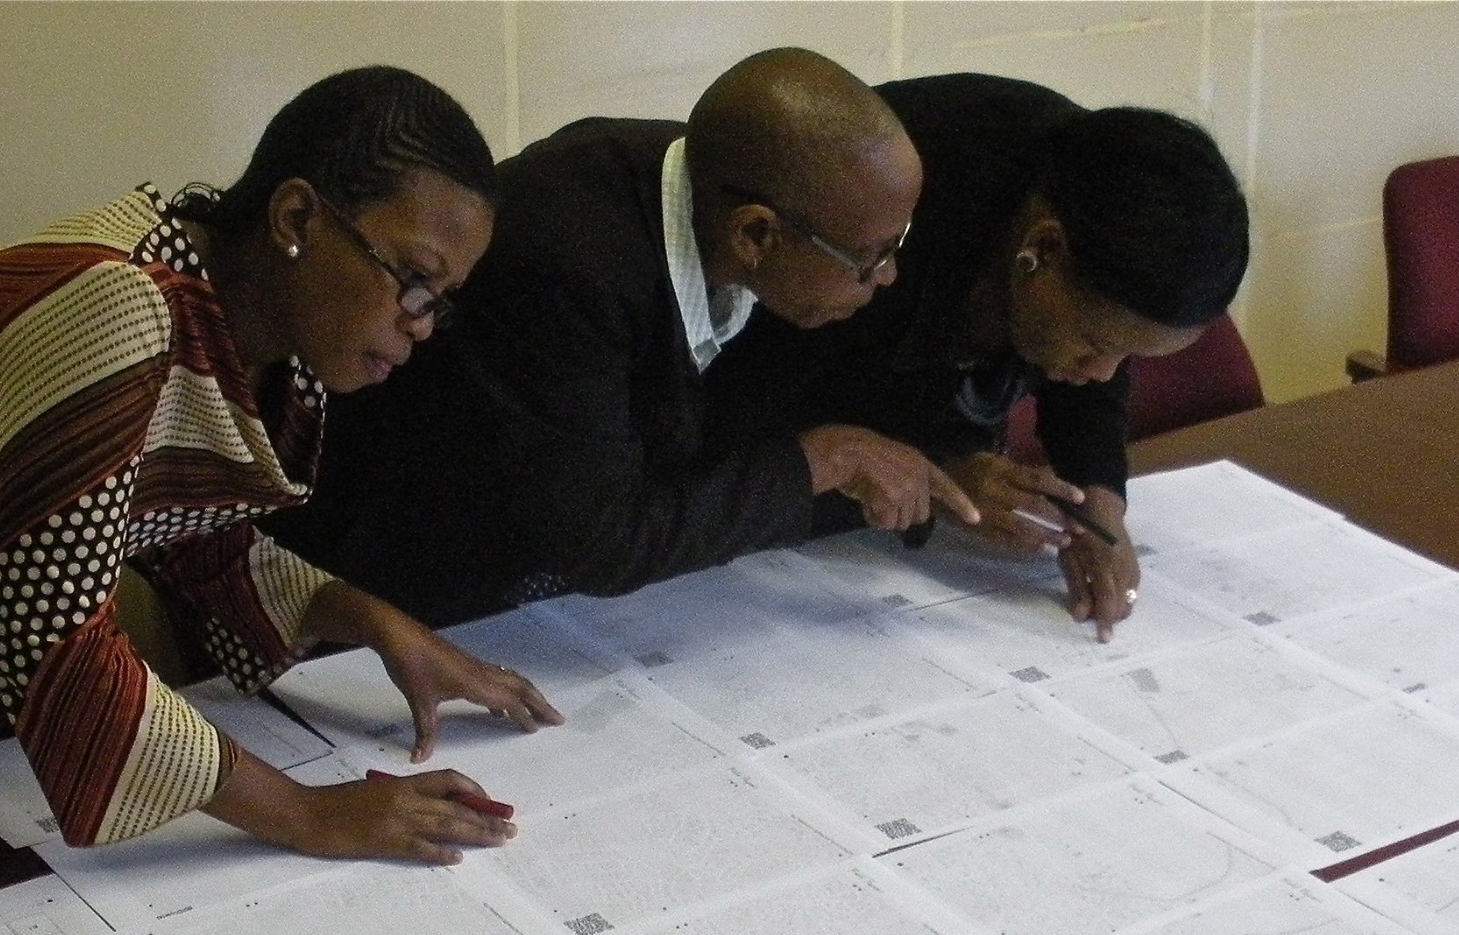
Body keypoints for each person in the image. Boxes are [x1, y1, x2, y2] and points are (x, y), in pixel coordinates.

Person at [0, 66, 560, 864]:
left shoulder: (272, 330)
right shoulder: (112, 301)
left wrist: (370, 620)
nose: (423, 326)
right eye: (414, 280)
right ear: (296, 216)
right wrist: (309, 813)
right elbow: (57, 637)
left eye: (440, 301)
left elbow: (178, 526)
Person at [265, 47, 979, 626]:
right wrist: (822, 460)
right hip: (374, 585)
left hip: (519, 585)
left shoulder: (739, 206)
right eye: (870, 257)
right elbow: (601, 540)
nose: (886, 278)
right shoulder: (570, 265)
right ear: (756, 234)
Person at [708, 73, 1251, 641]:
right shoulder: (878, 222)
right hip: (758, 545)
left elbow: (1097, 354)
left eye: (1129, 356)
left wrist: (1100, 493)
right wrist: (942, 470)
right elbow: (749, 402)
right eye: (1096, 346)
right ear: (1041, 248)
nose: (1102, 374)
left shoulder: (1101, 211)